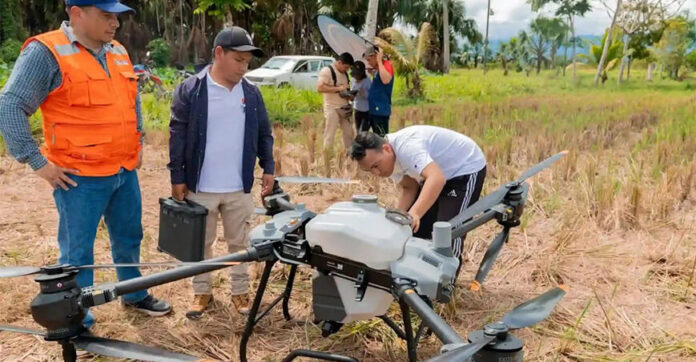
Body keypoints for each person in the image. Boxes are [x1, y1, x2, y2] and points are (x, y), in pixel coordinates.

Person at [0, 0, 171, 329]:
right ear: (77, 13)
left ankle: (133, 294)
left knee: (129, 237)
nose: (115, 23)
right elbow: (9, 105)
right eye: (106, 16)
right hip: (79, 179)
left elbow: (130, 98)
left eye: (116, 16)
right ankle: (75, 315)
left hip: (123, 171)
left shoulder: (117, 50)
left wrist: (139, 142)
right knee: (77, 252)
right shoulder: (46, 52)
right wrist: (37, 162)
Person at [168, 26, 275, 319]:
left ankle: (240, 291)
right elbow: (177, 133)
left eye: (247, 61)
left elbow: (264, 133)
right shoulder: (192, 90)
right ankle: (201, 291)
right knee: (200, 243)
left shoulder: (251, 94)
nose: (244, 66)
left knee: (239, 243)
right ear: (219, 54)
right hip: (200, 186)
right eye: (238, 60)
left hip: (238, 186)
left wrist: (269, 167)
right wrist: (177, 176)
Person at [350, 126, 486, 269]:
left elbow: (436, 178)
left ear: (387, 149)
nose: (376, 173)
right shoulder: (387, 161)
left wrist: (415, 212)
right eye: (369, 170)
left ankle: (446, 282)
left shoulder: (408, 148)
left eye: (376, 166)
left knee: (447, 232)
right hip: (435, 174)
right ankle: (420, 273)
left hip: (463, 170)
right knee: (416, 229)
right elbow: (410, 187)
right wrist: (398, 217)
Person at [317, 52, 355, 154]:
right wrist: (338, 88)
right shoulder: (327, 71)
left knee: (349, 133)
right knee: (329, 135)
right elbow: (320, 88)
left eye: (348, 68)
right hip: (332, 107)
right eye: (345, 67)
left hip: (345, 107)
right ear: (339, 62)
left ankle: (350, 155)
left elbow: (345, 89)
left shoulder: (345, 74)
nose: (346, 70)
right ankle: (327, 156)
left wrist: (350, 95)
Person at [363, 46, 394, 136]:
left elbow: (386, 80)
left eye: (369, 60)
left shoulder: (386, 64)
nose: (368, 63)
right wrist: (374, 72)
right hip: (374, 109)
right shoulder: (379, 68)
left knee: (381, 137)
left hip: (380, 109)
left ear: (375, 56)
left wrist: (379, 62)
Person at [351, 60, 372, 133]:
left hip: (366, 110)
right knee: (358, 131)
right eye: (355, 75)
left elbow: (371, 96)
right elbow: (352, 92)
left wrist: (364, 93)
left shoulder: (367, 81)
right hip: (357, 109)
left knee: (363, 132)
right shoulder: (353, 80)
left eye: (358, 75)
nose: (356, 77)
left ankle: (364, 144)